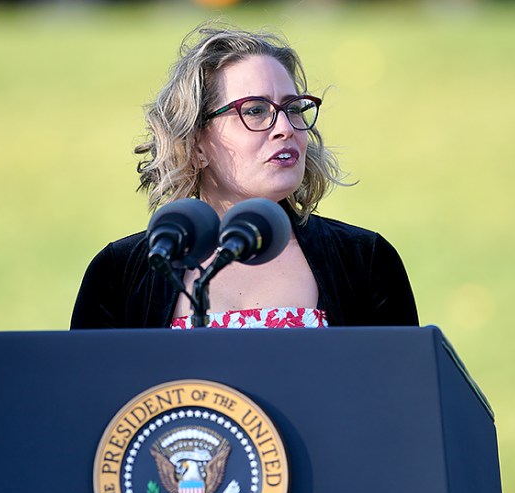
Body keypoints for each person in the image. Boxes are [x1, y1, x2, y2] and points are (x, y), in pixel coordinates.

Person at [71, 24, 418, 329]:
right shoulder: (121, 273)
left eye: (293, 108)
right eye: (254, 110)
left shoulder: (365, 260)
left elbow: (401, 395)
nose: (285, 128)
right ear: (196, 143)